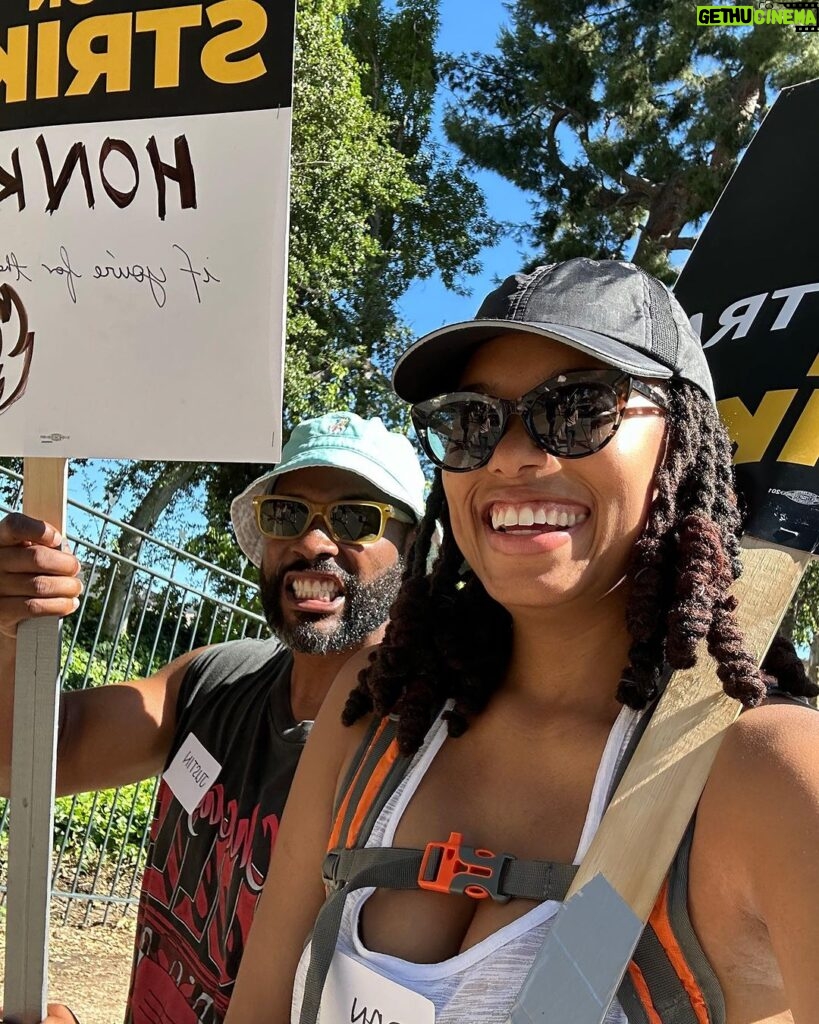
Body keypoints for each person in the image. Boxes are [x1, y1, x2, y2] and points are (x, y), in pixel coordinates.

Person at [224, 258, 819, 1024]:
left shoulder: (767, 775)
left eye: (576, 409)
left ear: (679, 444)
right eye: (470, 420)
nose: (510, 454)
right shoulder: (378, 709)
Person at [0, 411, 426, 1024]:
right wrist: (10, 634)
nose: (313, 542)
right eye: (286, 514)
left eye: (356, 518)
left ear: (413, 552)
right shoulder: (215, 681)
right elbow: (29, 757)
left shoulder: (423, 764)